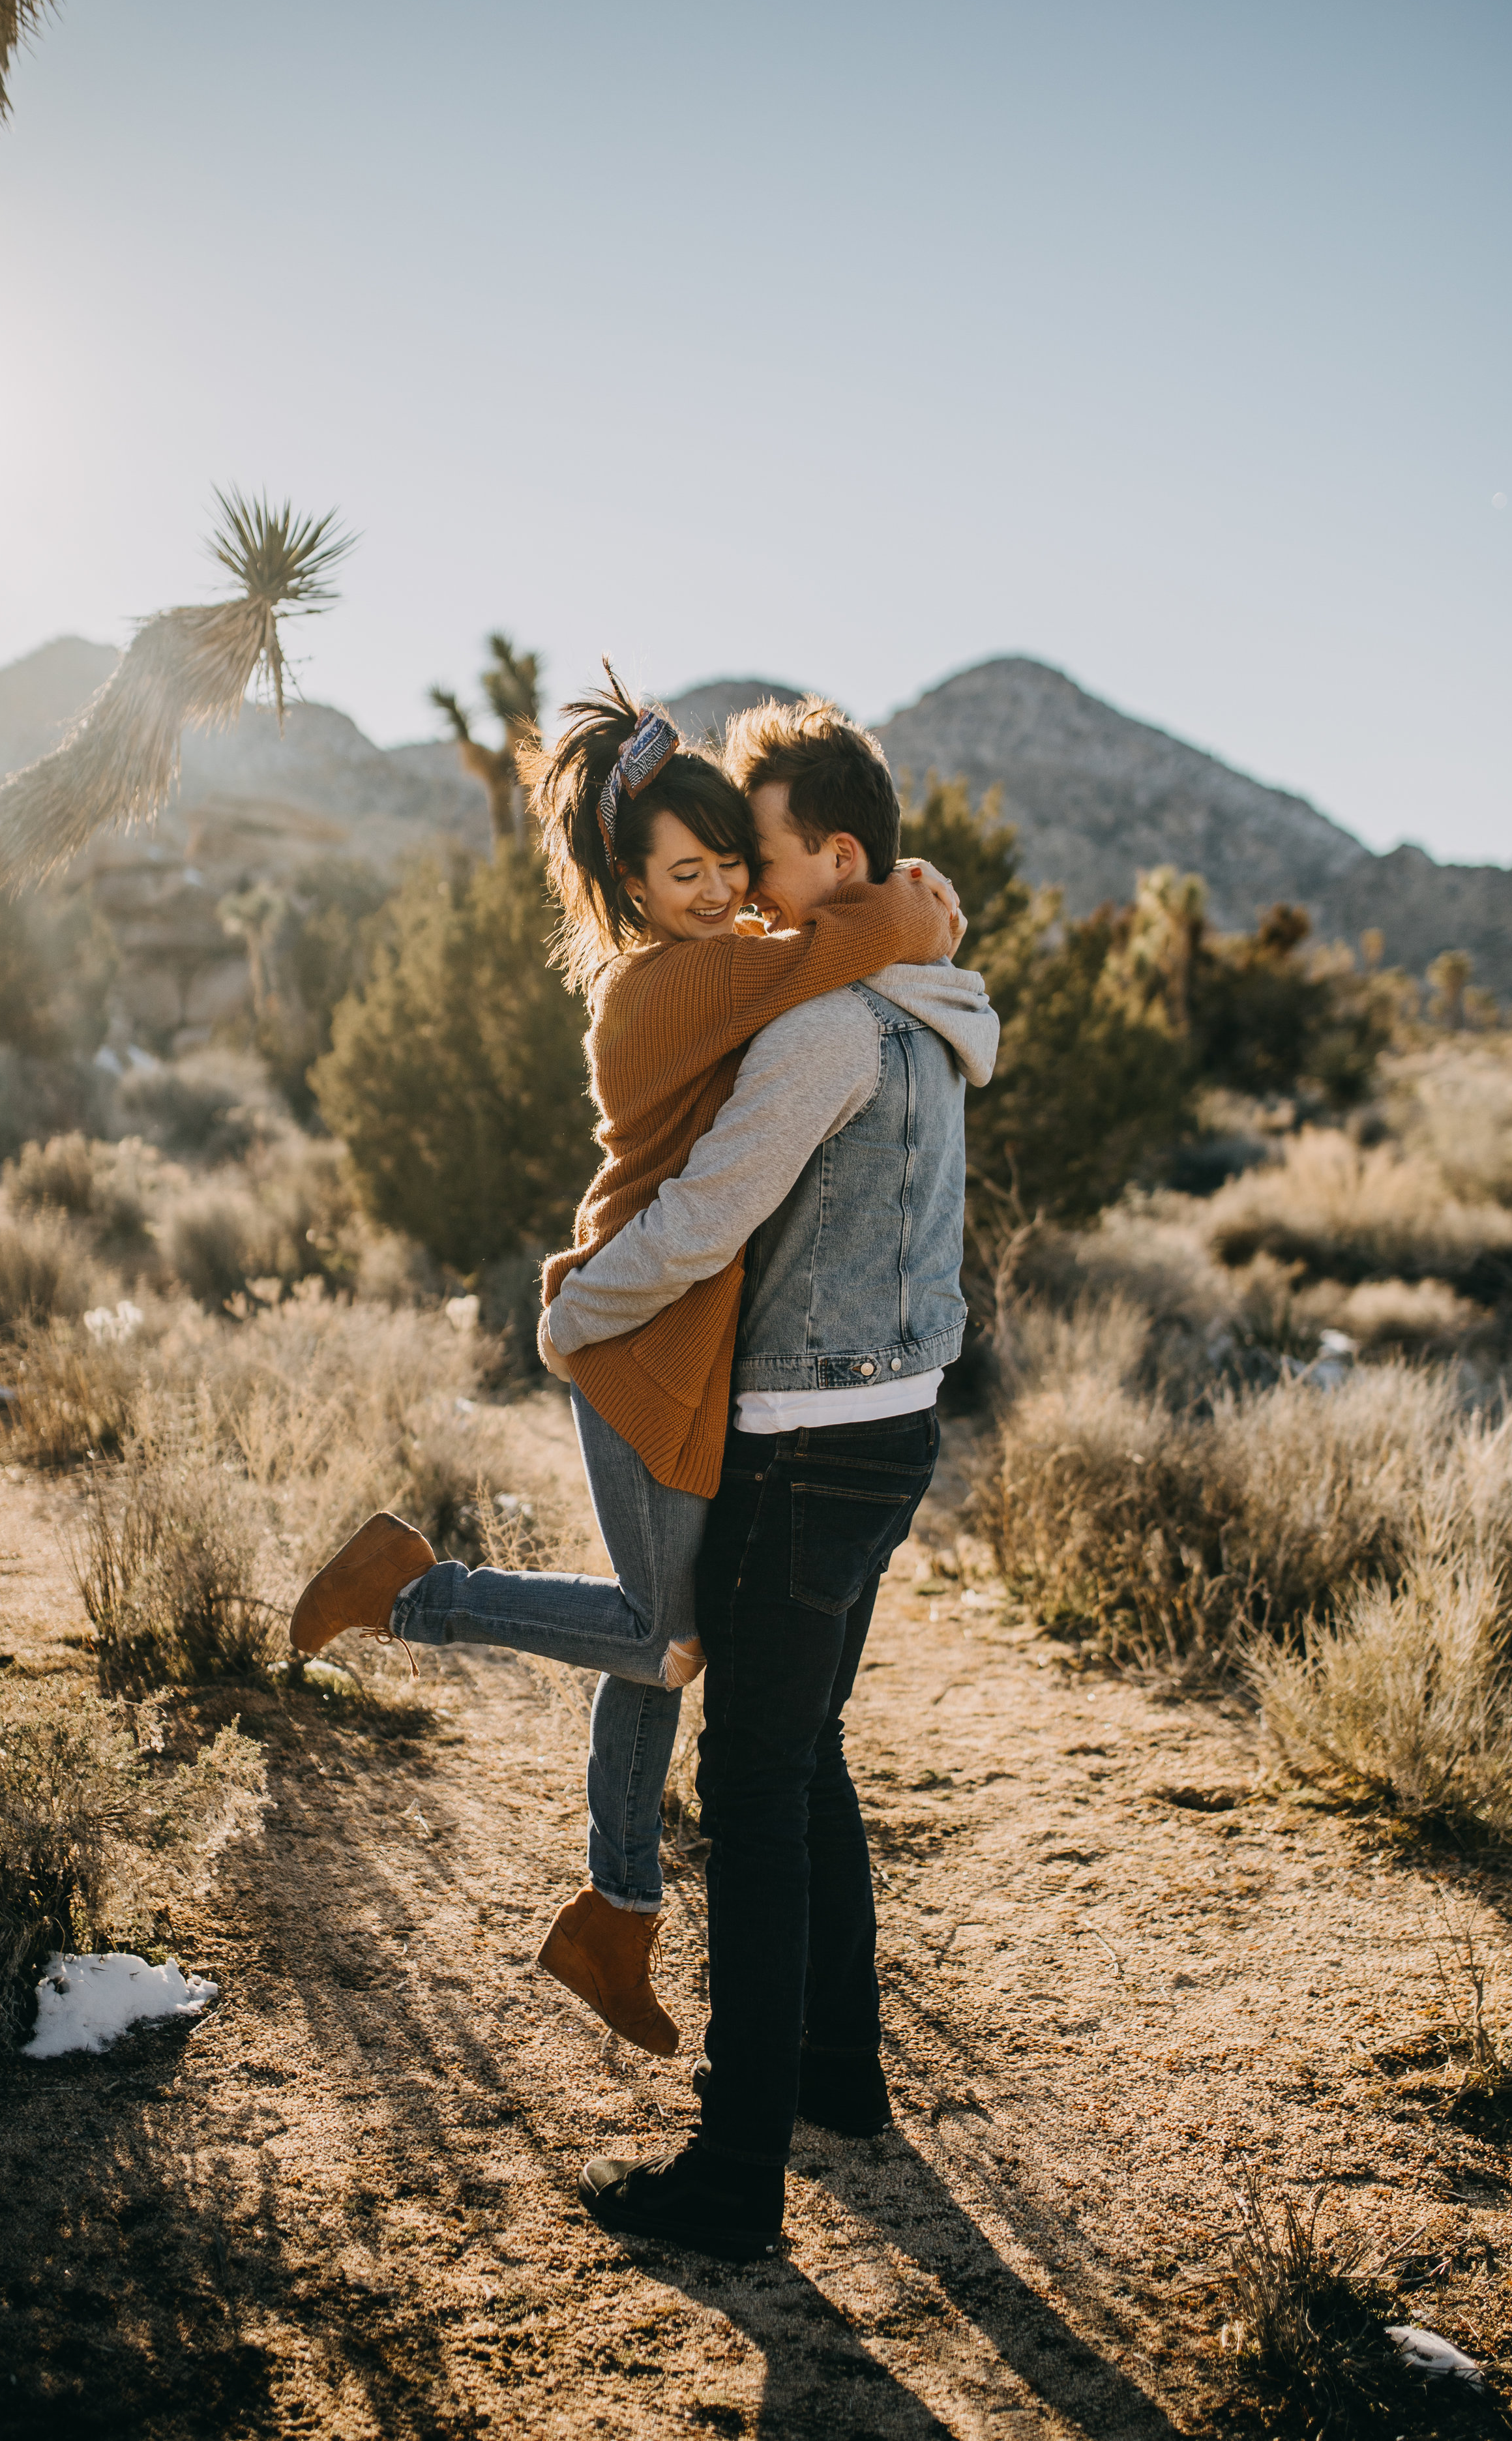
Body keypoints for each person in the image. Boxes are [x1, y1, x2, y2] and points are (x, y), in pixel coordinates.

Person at [288, 666, 962, 2058]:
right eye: (687, 872)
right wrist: (905, 907)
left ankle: (613, 1918)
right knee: (665, 1635)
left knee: (658, 1642)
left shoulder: (722, 973)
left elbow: (817, 960)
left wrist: (879, 919)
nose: (721, 890)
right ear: (629, 888)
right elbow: (833, 950)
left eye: (729, 863)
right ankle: (415, 1593)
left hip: (680, 1338)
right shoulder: (660, 994)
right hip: (629, 1325)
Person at [539, 696, 998, 2262]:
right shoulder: (935, 1004)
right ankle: (838, 2078)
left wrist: (571, 1311)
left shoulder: (816, 1026)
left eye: (767, 850)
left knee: (747, 1791)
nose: (747, 884)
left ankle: (735, 2175)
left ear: (838, 856)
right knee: (806, 1760)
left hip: (800, 1444)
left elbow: (704, 1222)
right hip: (899, 1430)